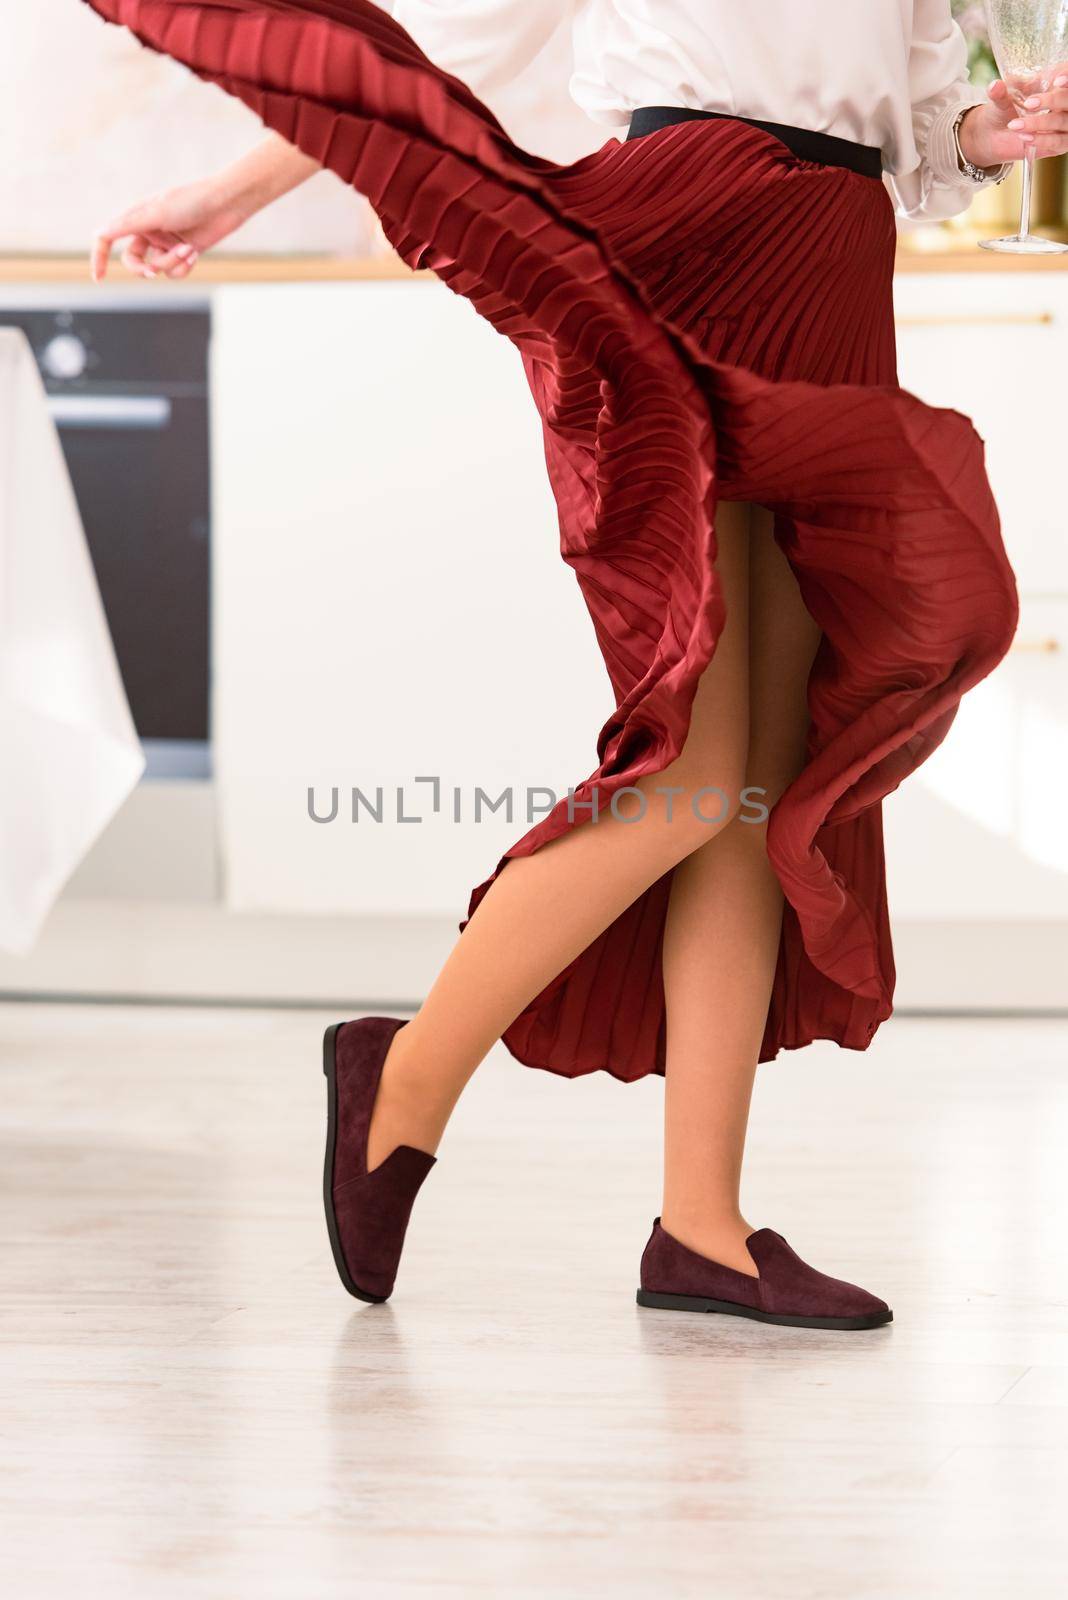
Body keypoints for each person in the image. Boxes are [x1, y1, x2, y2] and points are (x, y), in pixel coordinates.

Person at [84, 1, 1046, 1329]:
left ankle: (702, 1227)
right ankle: (404, 1081)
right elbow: (444, 43)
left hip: (831, 255)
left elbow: (921, 126)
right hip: (697, 227)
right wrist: (229, 191)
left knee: (756, 782)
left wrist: (991, 130)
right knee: (697, 764)